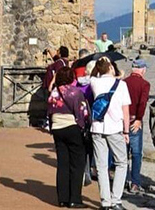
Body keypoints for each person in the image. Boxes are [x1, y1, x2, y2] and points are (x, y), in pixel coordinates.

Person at [90, 57, 131, 210]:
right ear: (111, 68)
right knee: (121, 163)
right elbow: (125, 111)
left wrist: (101, 65)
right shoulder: (121, 85)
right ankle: (116, 199)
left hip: (97, 127)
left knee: (101, 166)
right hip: (114, 128)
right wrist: (126, 131)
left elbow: (92, 75)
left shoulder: (95, 82)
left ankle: (105, 202)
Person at [47, 66, 90, 208]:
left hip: (57, 128)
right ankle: (75, 199)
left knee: (62, 164)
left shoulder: (54, 92)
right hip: (72, 128)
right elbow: (82, 112)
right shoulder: (75, 92)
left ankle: (62, 198)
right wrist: (83, 126)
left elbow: (49, 110)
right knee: (77, 164)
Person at [124, 59, 151, 193]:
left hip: (122, 121)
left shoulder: (123, 82)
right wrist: (139, 119)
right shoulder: (144, 84)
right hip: (135, 120)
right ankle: (135, 183)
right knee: (136, 154)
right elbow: (142, 103)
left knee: (123, 154)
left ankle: (122, 181)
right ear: (142, 70)